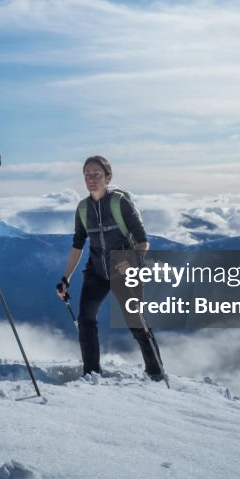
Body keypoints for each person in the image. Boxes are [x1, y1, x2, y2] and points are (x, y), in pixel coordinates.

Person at [56, 156, 164, 380]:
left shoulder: (119, 203)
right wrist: (65, 278)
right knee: (86, 320)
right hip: (96, 271)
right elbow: (77, 245)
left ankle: (156, 372)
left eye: (96, 174)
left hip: (123, 270)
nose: (91, 179)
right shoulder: (83, 208)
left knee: (136, 322)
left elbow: (143, 241)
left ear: (108, 177)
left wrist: (132, 257)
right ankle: (91, 372)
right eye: (87, 174)